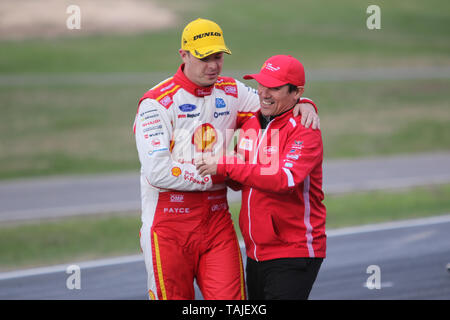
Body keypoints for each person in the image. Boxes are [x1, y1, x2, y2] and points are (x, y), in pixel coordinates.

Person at [133, 18, 320, 300]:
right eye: (204, 57)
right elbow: (157, 171)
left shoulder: (232, 91)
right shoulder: (155, 103)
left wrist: (306, 104)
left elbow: (277, 102)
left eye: (218, 57)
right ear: (183, 55)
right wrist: (218, 172)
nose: (213, 65)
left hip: (217, 219)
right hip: (168, 223)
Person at [196, 54, 326, 300]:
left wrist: (226, 164)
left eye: (274, 88)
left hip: (294, 251)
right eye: (262, 85)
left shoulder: (305, 129)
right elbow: (236, 179)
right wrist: (202, 165)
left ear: (297, 92)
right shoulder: (251, 126)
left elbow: (283, 180)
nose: (264, 93)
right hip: (256, 251)